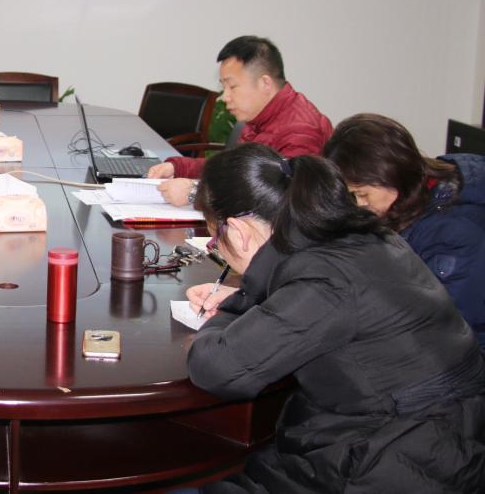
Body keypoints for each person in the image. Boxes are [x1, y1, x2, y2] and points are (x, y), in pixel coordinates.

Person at [182, 143, 485, 493]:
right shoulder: (362, 236)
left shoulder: (324, 282)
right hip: (437, 438)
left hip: (395, 461)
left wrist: (231, 307)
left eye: (215, 240)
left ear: (238, 231)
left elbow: (217, 368)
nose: (217, 249)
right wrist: (248, 300)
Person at [323, 113, 485, 348]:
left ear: (388, 174)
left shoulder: (454, 233)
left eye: (362, 194)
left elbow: (448, 333)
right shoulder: (411, 199)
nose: (359, 205)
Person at [148, 36, 332, 206]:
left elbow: (283, 202)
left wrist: (195, 193)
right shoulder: (259, 117)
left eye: (232, 86)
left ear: (265, 83)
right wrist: (178, 167)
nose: (225, 97)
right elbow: (230, 169)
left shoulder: (300, 130)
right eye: (224, 87)